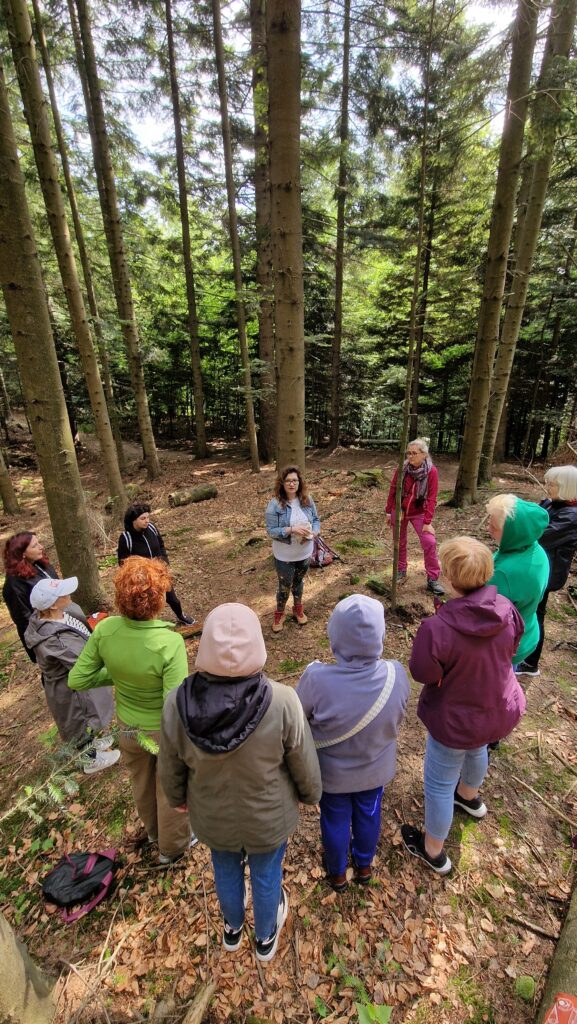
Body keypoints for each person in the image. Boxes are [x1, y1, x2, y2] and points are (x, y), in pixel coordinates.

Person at [158, 603, 321, 962]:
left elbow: (170, 762)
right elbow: (302, 758)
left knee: (225, 867)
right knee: (266, 873)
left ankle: (232, 928)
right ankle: (265, 937)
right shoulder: (283, 700)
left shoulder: (176, 703)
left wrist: (176, 797)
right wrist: (311, 793)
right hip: (268, 817)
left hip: (212, 814)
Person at [401, 537, 525, 875]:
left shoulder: (437, 627)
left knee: (440, 784)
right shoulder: (506, 608)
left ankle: (433, 850)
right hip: (496, 709)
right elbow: (514, 646)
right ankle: (469, 796)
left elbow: (423, 673)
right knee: (478, 747)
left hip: (455, 719)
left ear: (450, 578)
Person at [68, 557, 194, 865]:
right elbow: (173, 704)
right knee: (169, 786)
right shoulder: (169, 642)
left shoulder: (105, 629)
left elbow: (77, 678)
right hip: (162, 732)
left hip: (128, 728)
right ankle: (172, 848)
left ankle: (153, 833)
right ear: (159, 598)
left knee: (141, 782)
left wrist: (118, 673)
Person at [296, 594, 410, 892]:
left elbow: (298, 718)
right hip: (375, 769)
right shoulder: (396, 674)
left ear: (334, 636)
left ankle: (337, 873)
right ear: (381, 636)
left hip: (332, 775)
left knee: (334, 819)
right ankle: (364, 865)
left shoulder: (316, 679)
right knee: (369, 813)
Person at [24, 577, 119, 775]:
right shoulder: (54, 640)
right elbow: (81, 662)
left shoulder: (60, 614)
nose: (68, 593)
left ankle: (94, 741)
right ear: (52, 605)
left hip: (77, 683)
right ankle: (90, 760)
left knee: (91, 711)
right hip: (69, 689)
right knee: (79, 719)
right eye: (62, 593)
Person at [516, 466, 577, 677]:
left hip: (547, 574)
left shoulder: (571, 516)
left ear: (567, 487)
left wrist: (519, 531)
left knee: (535, 614)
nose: (547, 487)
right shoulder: (552, 504)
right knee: (529, 611)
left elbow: (540, 535)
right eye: (548, 483)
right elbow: (532, 518)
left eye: (553, 484)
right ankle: (523, 652)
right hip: (535, 569)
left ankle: (530, 663)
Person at [486, 494, 550, 666]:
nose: (488, 529)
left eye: (494, 527)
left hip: (504, 646)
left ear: (514, 532)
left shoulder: (504, 573)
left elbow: (484, 615)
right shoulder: (534, 548)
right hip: (526, 632)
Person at [117, 503, 194, 625]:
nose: (147, 521)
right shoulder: (126, 538)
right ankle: (146, 625)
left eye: (148, 517)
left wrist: (164, 560)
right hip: (143, 579)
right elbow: (123, 563)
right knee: (147, 603)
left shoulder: (152, 528)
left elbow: (161, 545)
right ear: (133, 520)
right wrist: (136, 576)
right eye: (143, 518)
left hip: (160, 572)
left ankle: (181, 615)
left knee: (172, 598)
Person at [385, 438, 444, 596]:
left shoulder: (431, 471)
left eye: (414, 453)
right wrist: (389, 511)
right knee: (399, 541)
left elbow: (432, 497)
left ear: (424, 454)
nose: (410, 456)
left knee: (429, 542)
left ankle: (433, 578)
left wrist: (427, 522)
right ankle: (401, 569)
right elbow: (393, 489)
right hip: (399, 509)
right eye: (408, 453)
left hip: (419, 512)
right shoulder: (402, 468)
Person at [264, 466, 320, 633]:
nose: (291, 484)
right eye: (288, 481)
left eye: (295, 480)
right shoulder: (274, 504)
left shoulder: (307, 500)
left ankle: (297, 608)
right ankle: (280, 613)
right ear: (282, 483)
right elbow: (271, 531)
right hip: (284, 555)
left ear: (299, 482)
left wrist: (314, 533)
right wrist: (291, 530)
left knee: (298, 582)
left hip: (304, 552)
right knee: (284, 585)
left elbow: (316, 520)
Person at [3, 532, 59, 661]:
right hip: (45, 638)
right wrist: (43, 644)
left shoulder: (41, 565)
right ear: (22, 553)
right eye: (35, 545)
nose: (41, 547)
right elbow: (24, 620)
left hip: (61, 624)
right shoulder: (14, 583)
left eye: (39, 543)